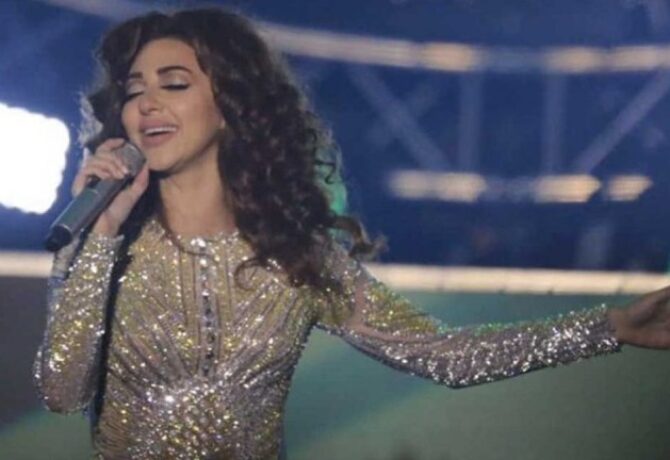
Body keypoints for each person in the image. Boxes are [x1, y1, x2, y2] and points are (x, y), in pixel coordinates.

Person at [33, 7, 670, 460]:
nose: (146, 104)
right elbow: (62, 392)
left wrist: (610, 327)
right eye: (134, 91)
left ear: (230, 105)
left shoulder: (296, 259)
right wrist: (104, 232)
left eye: (174, 84)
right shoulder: (103, 246)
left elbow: (443, 355)